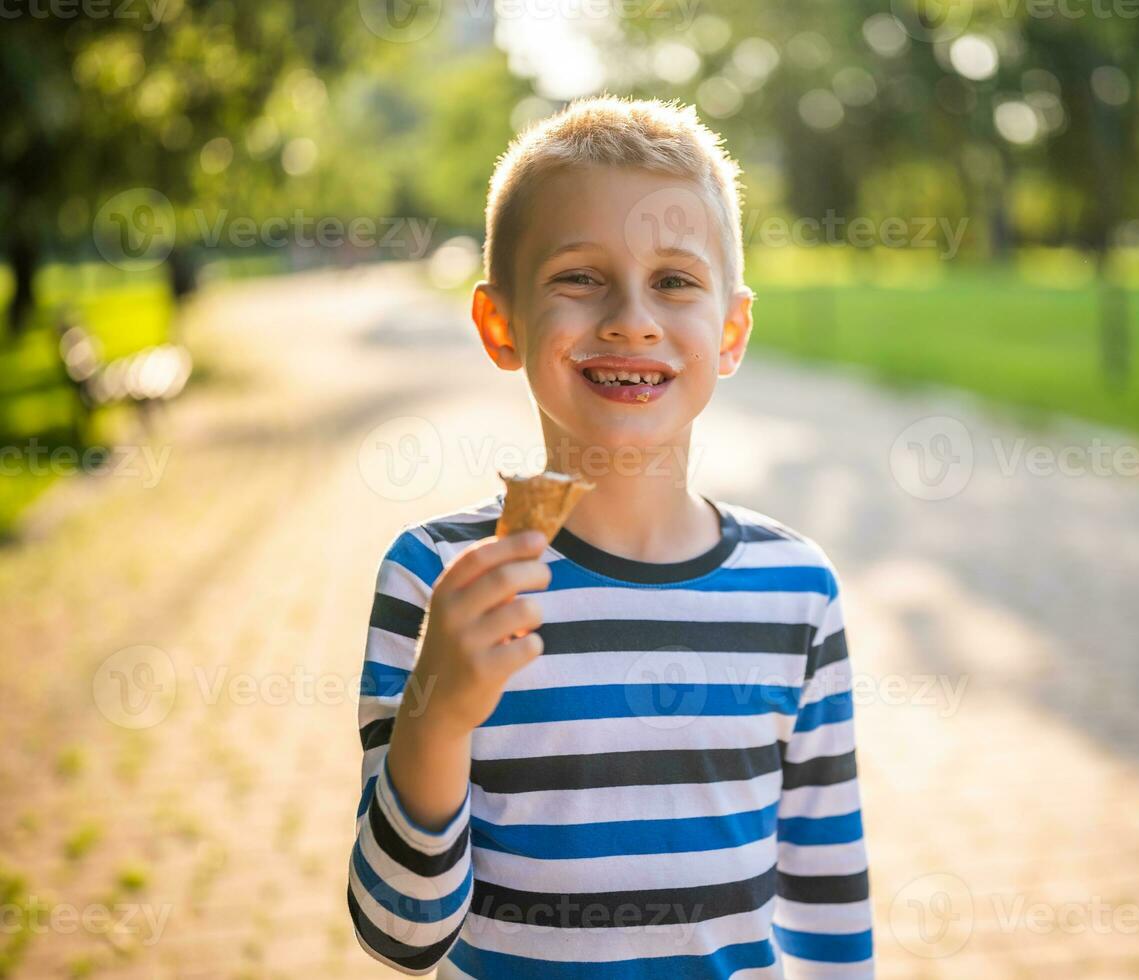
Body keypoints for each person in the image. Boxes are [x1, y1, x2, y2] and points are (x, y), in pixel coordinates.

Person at [347, 95, 873, 978]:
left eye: (675, 280)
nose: (632, 317)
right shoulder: (440, 580)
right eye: (579, 277)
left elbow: (826, 895)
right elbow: (399, 935)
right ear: (500, 325)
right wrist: (436, 716)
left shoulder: (797, 591)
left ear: (732, 331)